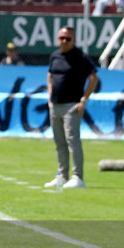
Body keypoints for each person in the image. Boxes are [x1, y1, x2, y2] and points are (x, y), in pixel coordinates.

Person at [44, 26, 98, 190]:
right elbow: (50, 75)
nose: (64, 41)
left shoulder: (80, 57)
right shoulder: (55, 56)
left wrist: (83, 99)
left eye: (68, 38)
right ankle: (62, 175)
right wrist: (50, 96)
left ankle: (78, 177)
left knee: (72, 141)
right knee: (59, 142)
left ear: (74, 40)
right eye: (61, 38)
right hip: (56, 105)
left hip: (72, 105)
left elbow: (93, 78)